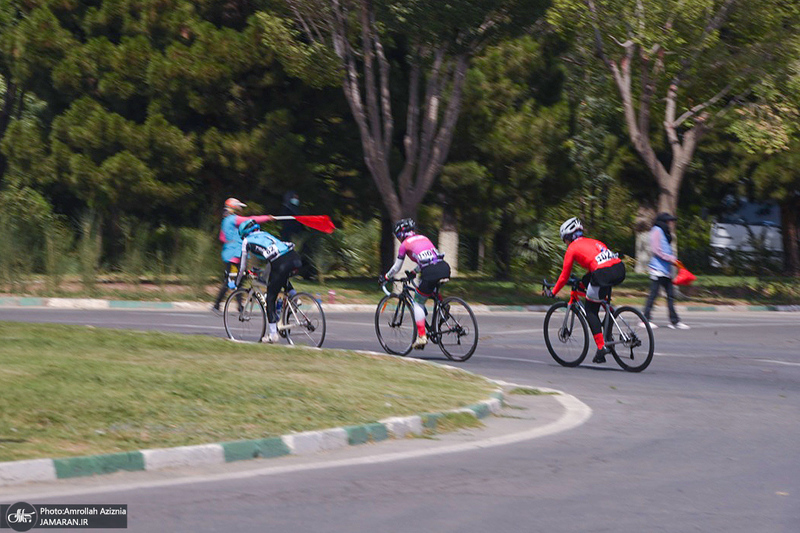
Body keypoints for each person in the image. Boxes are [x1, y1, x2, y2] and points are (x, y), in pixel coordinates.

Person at [545, 217, 626, 364]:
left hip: (603, 273)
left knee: (590, 310)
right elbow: (594, 267)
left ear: (568, 237)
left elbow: (564, 276)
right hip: (619, 268)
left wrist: (553, 292)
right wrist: (582, 283)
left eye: (565, 240)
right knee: (596, 292)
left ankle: (601, 348)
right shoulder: (594, 241)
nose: (566, 243)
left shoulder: (572, 248)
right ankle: (609, 324)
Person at [382, 218, 451, 349]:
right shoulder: (423, 238)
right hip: (443, 267)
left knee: (418, 303)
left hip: (430, 271)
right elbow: (429, 258)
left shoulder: (404, 245)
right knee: (431, 289)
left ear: (400, 234)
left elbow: (396, 268)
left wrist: (386, 277)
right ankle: (442, 306)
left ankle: (421, 336)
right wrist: (414, 272)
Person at [233, 220, 303, 343]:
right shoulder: (265, 234)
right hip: (295, 258)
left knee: (270, 297)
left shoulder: (246, 241)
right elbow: (283, 248)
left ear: (244, 233)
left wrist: (237, 282)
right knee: (280, 278)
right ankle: (294, 296)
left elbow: (242, 266)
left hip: (281, 263)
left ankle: (272, 335)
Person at [211, 198, 274, 314]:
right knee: (231, 280)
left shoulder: (225, 221)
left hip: (232, 254)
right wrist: (267, 218)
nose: (240, 210)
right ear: (234, 207)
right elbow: (250, 220)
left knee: (237, 281)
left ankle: (239, 307)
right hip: (233, 256)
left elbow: (222, 238)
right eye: (239, 207)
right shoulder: (233, 219)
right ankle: (217, 305)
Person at [643, 212, 690, 329]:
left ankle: (675, 321)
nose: (671, 223)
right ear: (663, 222)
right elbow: (656, 250)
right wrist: (670, 259)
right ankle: (645, 320)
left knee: (670, 296)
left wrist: (673, 261)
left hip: (666, 270)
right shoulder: (656, 230)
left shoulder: (665, 232)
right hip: (657, 270)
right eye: (669, 221)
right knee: (653, 295)